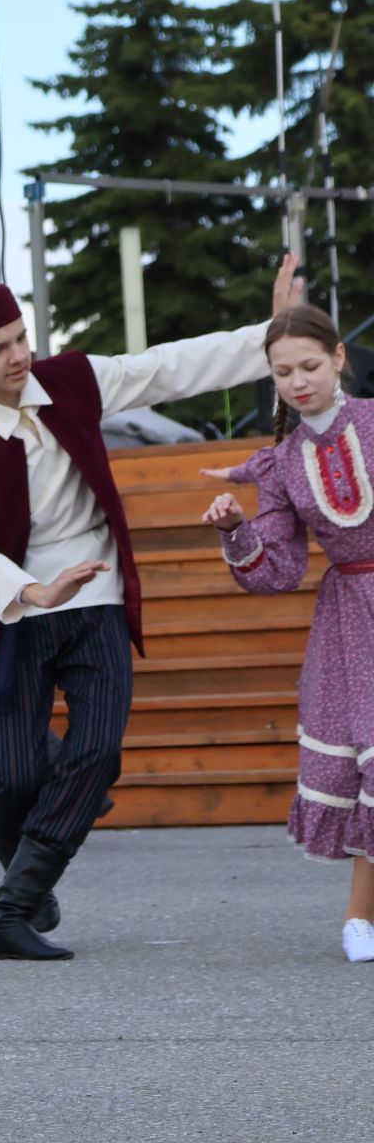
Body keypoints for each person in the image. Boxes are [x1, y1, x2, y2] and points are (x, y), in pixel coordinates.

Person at [0, 261, 300, 961]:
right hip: (19, 608)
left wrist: (271, 334)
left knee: (96, 751)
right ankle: (32, 888)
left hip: (96, 595)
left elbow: (168, 368)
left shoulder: (72, 378)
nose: (17, 356)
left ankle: (8, 914)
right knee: (7, 777)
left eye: (20, 338)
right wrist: (29, 590)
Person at [199, 304, 374, 963]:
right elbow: (278, 570)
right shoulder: (282, 464)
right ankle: (359, 917)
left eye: (308, 365)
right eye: (282, 373)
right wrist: (234, 532)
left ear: (338, 359)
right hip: (351, 622)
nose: (298, 381)